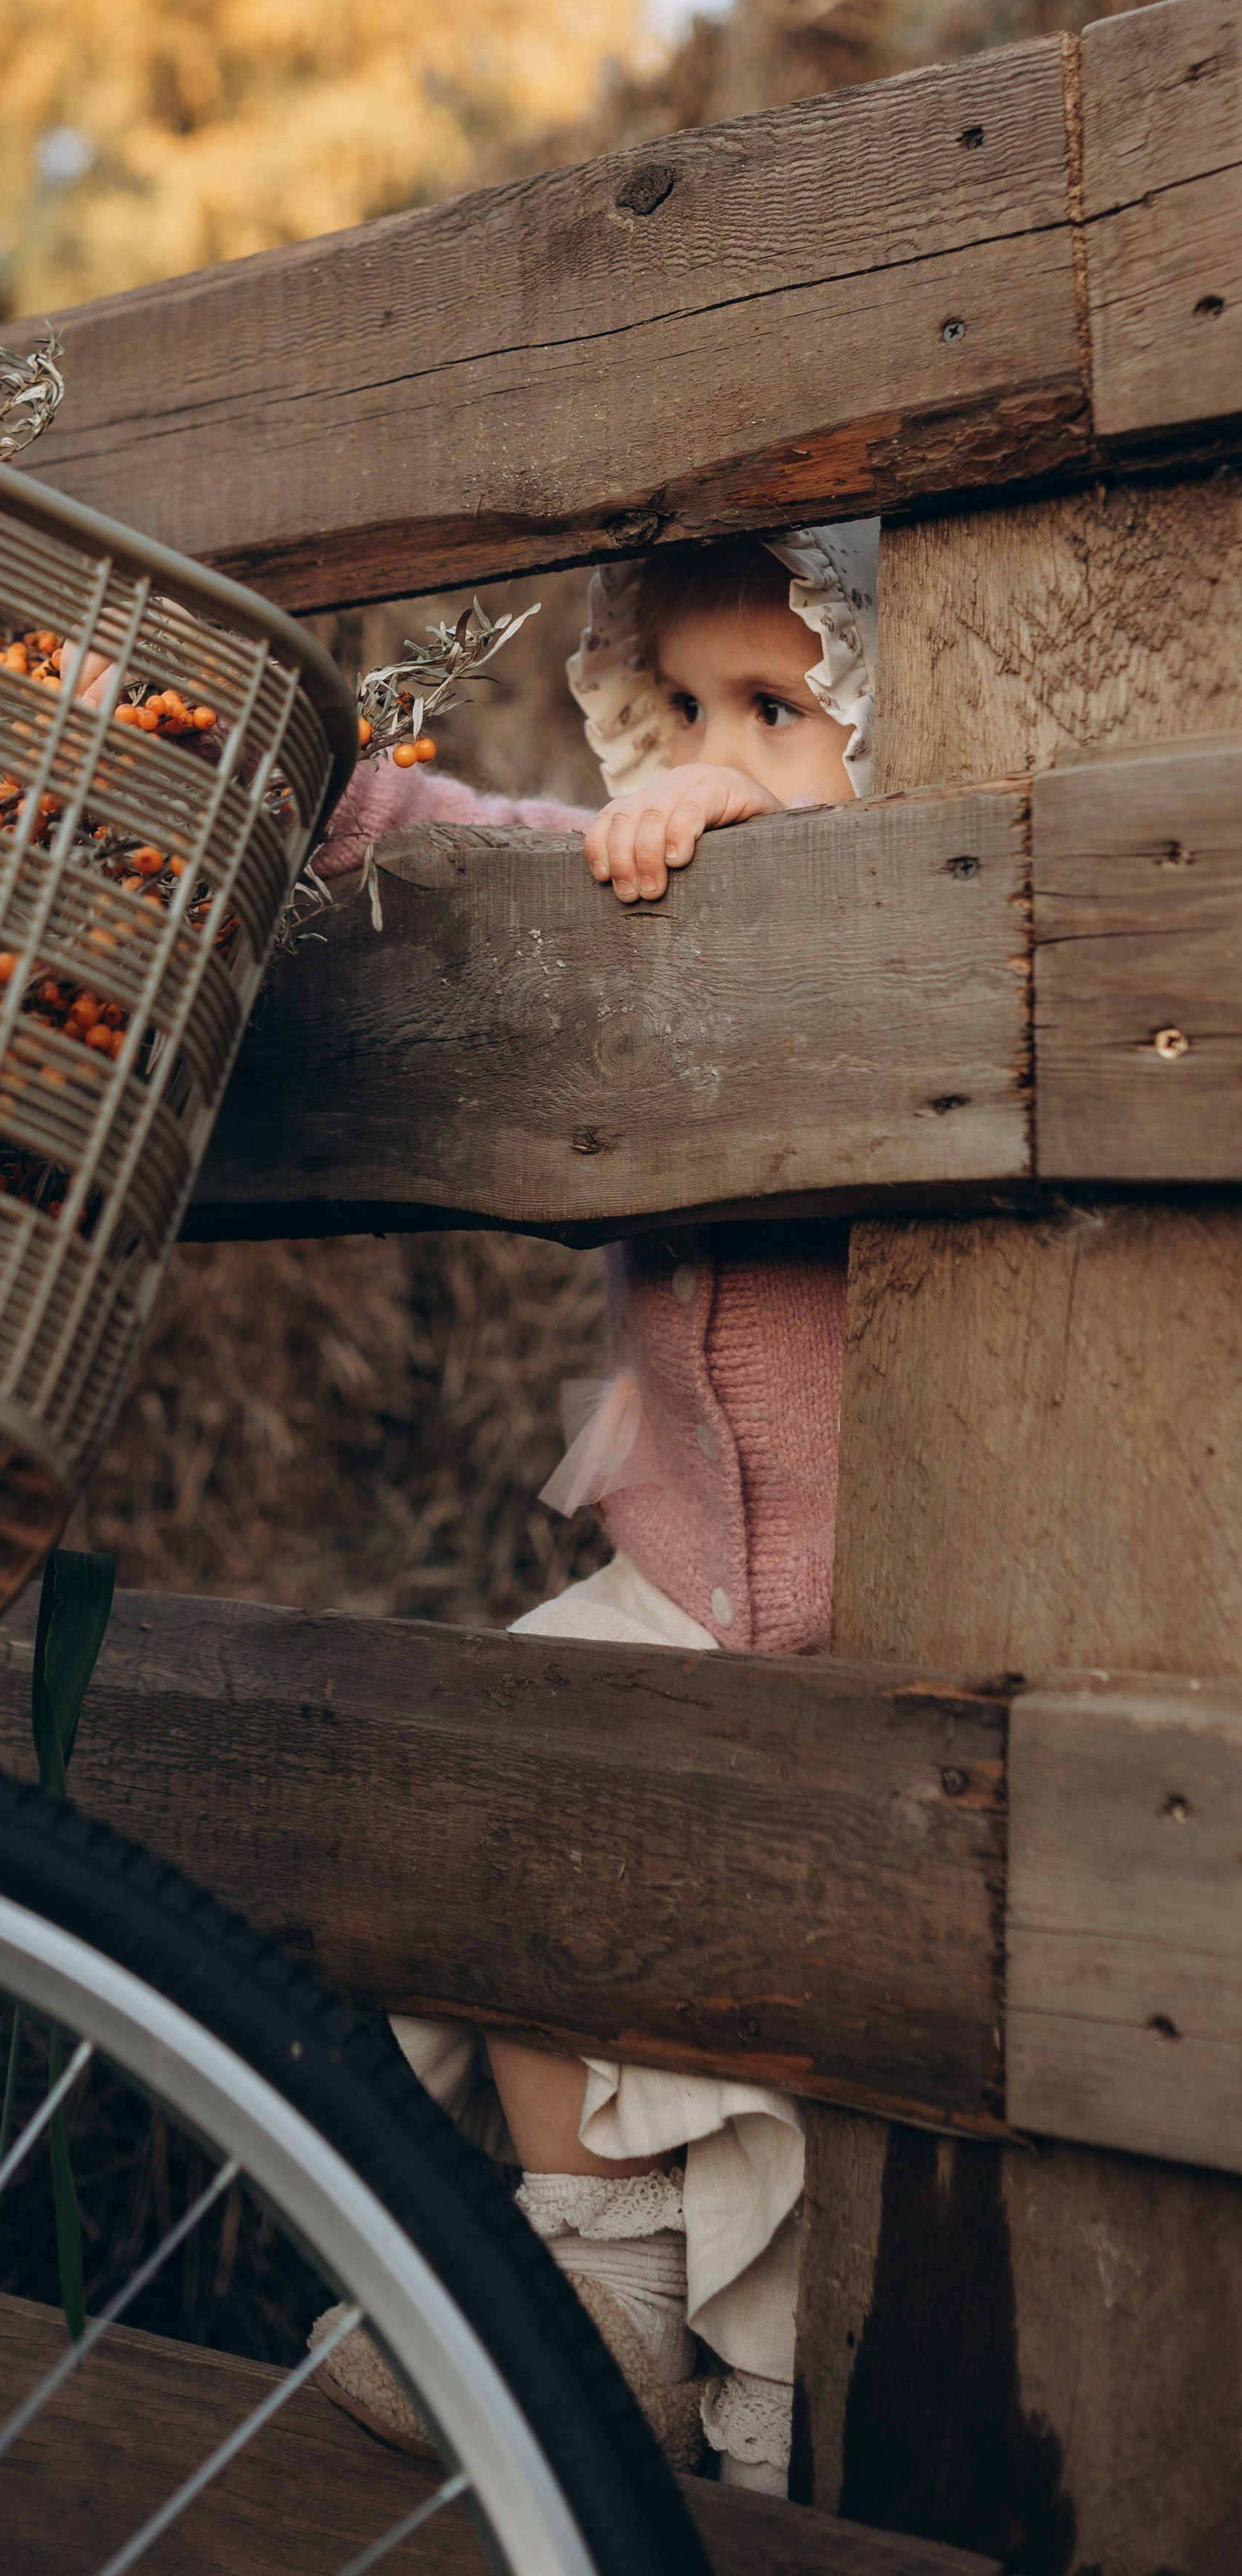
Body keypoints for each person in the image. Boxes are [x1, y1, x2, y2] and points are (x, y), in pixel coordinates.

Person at [305, 523, 876, 2493]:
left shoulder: (941, 902)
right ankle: (602, 2272)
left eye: (786, 709)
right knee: (497, 1783)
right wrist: (341, 800)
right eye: (692, 707)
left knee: (839, 2065)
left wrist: (767, 826)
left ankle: (773, 2403)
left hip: (899, 1602)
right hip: (678, 1581)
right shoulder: (646, 878)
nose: (720, 755)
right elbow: (472, 841)